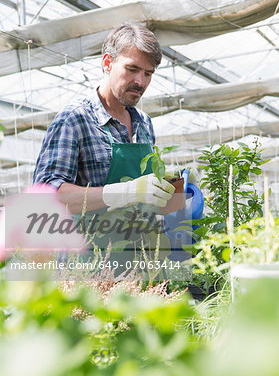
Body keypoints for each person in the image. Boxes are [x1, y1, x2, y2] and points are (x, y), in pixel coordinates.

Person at [33, 23, 175, 268]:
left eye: (148, 73)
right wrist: (126, 192)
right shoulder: (75, 119)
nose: (140, 81)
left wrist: (166, 194)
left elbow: (145, 196)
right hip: (88, 267)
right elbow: (46, 196)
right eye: (132, 69)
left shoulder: (145, 124)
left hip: (139, 264)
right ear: (108, 63)